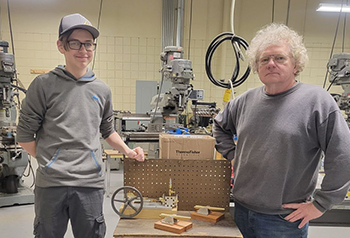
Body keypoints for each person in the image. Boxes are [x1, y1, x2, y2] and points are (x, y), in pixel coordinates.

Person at [213, 23, 350, 238]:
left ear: (295, 64)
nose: (271, 64)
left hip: (283, 220)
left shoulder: (317, 101)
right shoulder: (245, 101)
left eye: (280, 58)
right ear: (256, 67)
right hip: (240, 211)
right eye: (264, 60)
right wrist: (233, 155)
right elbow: (220, 125)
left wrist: (321, 204)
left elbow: (343, 155)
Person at [17, 13, 144, 238]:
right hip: (52, 185)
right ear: (61, 46)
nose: (83, 50)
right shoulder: (43, 86)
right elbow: (25, 137)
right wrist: (51, 160)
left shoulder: (102, 90)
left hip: (90, 185)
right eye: (75, 43)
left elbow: (108, 131)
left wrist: (128, 151)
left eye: (88, 44)